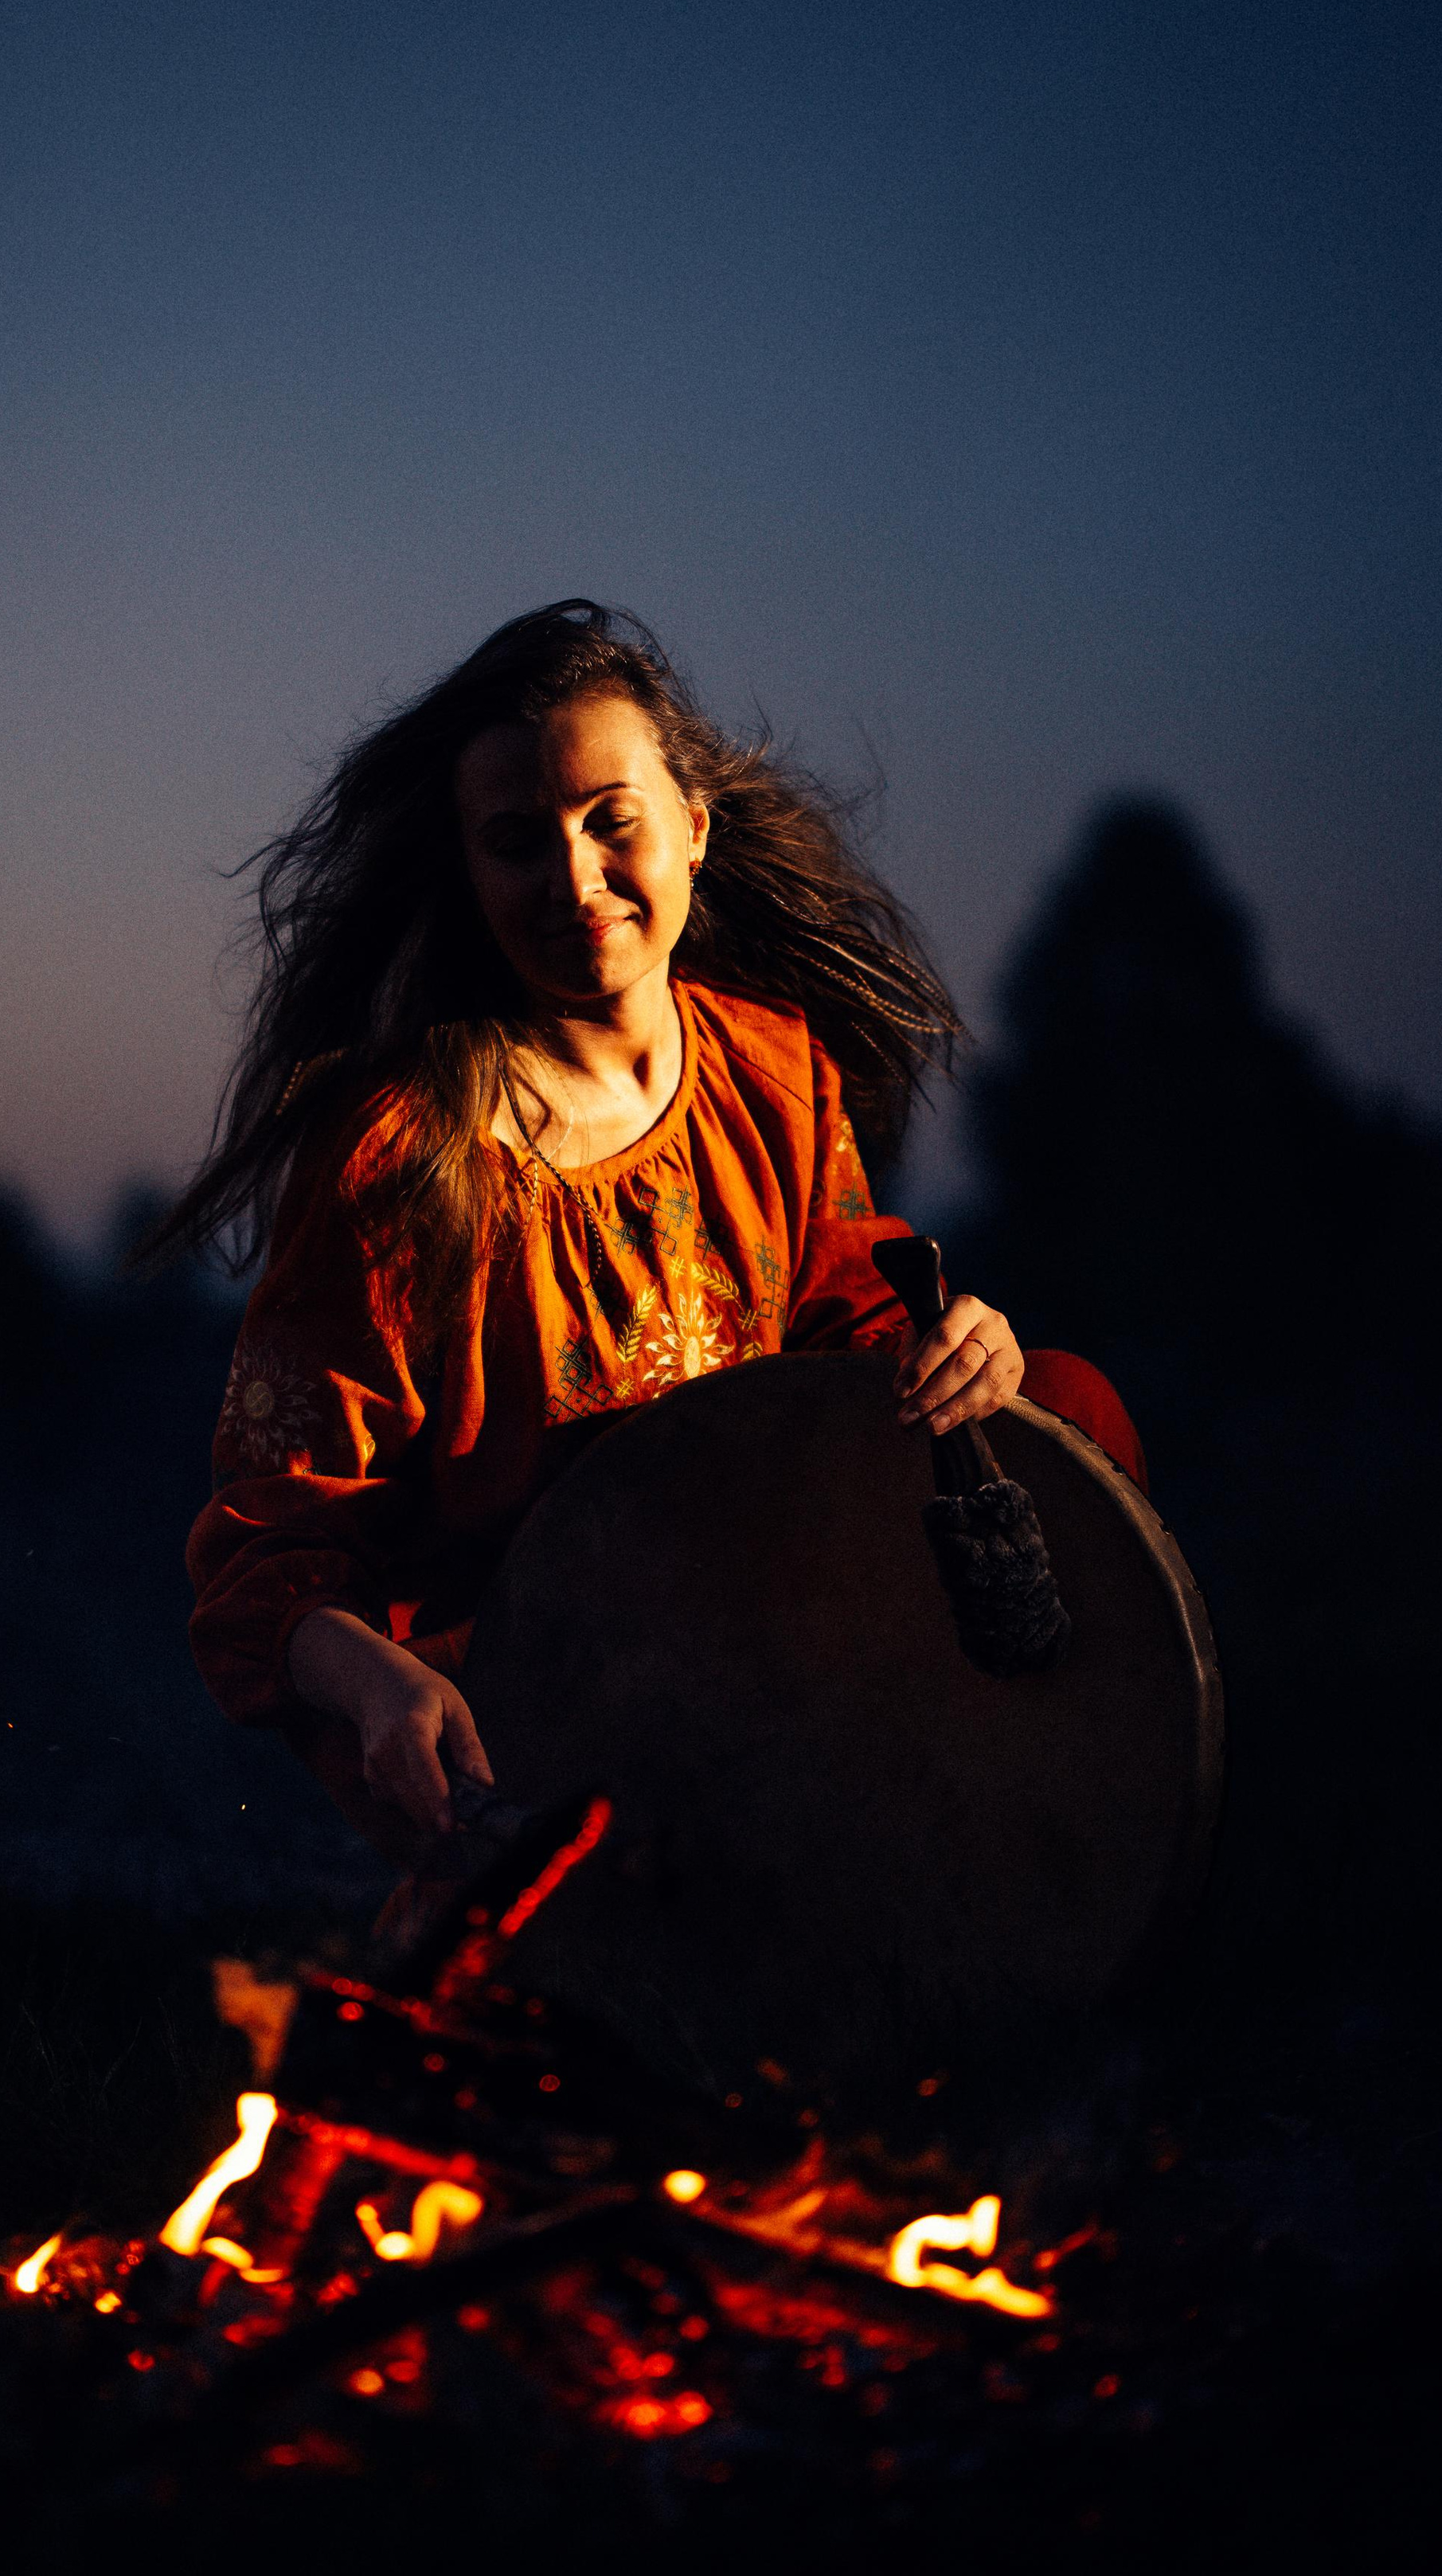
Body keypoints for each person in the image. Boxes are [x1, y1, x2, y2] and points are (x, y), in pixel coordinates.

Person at [159, 604, 1144, 1867]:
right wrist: (374, 1683)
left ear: (694, 823)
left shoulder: (773, 1068)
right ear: (467, 873)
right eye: (518, 842)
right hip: (551, 1730)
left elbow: (856, 1354)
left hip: (787, 1639)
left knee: (1068, 1407)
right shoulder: (400, 1163)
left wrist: (962, 1351)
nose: (575, 881)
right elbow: (263, 1561)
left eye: (609, 819)